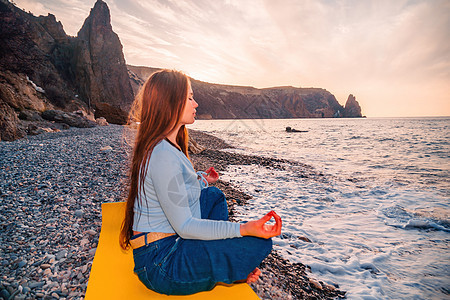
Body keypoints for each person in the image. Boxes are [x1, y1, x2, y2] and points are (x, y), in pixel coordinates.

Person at [119, 69, 282, 295]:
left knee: (213, 196)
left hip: (165, 244)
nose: (195, 104)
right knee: (260, 243)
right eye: (189, 98)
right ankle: (224, 265)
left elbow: (177, 188)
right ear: (171, 102)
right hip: (161, 263)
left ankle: (220, 258)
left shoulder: (166, 146)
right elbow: (185, 227)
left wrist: (203, 180)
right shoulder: (162, 154)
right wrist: (244, 229)